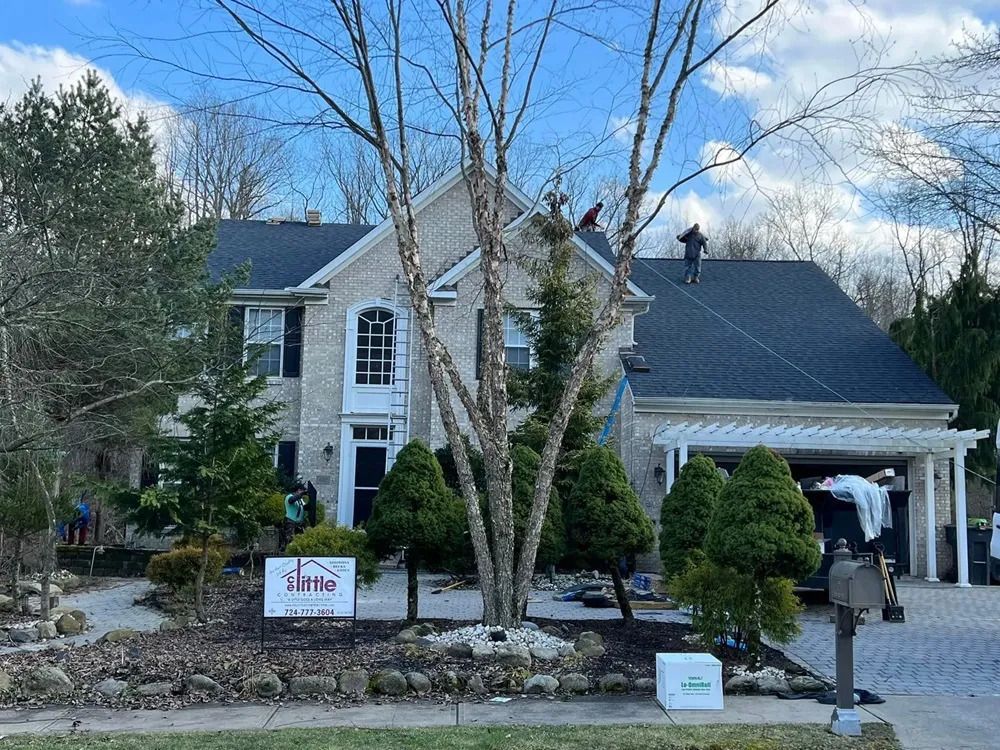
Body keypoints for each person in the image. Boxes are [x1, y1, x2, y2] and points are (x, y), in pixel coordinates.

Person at [280, 484, 308, 552]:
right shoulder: (289, 496)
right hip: (290, 521)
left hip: (299, 523)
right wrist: (301, 494)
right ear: (298, 490)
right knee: (289, 540)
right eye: (302, 491)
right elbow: (291, 500)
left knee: (300, 540)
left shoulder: (301, 500)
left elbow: (305, 507)